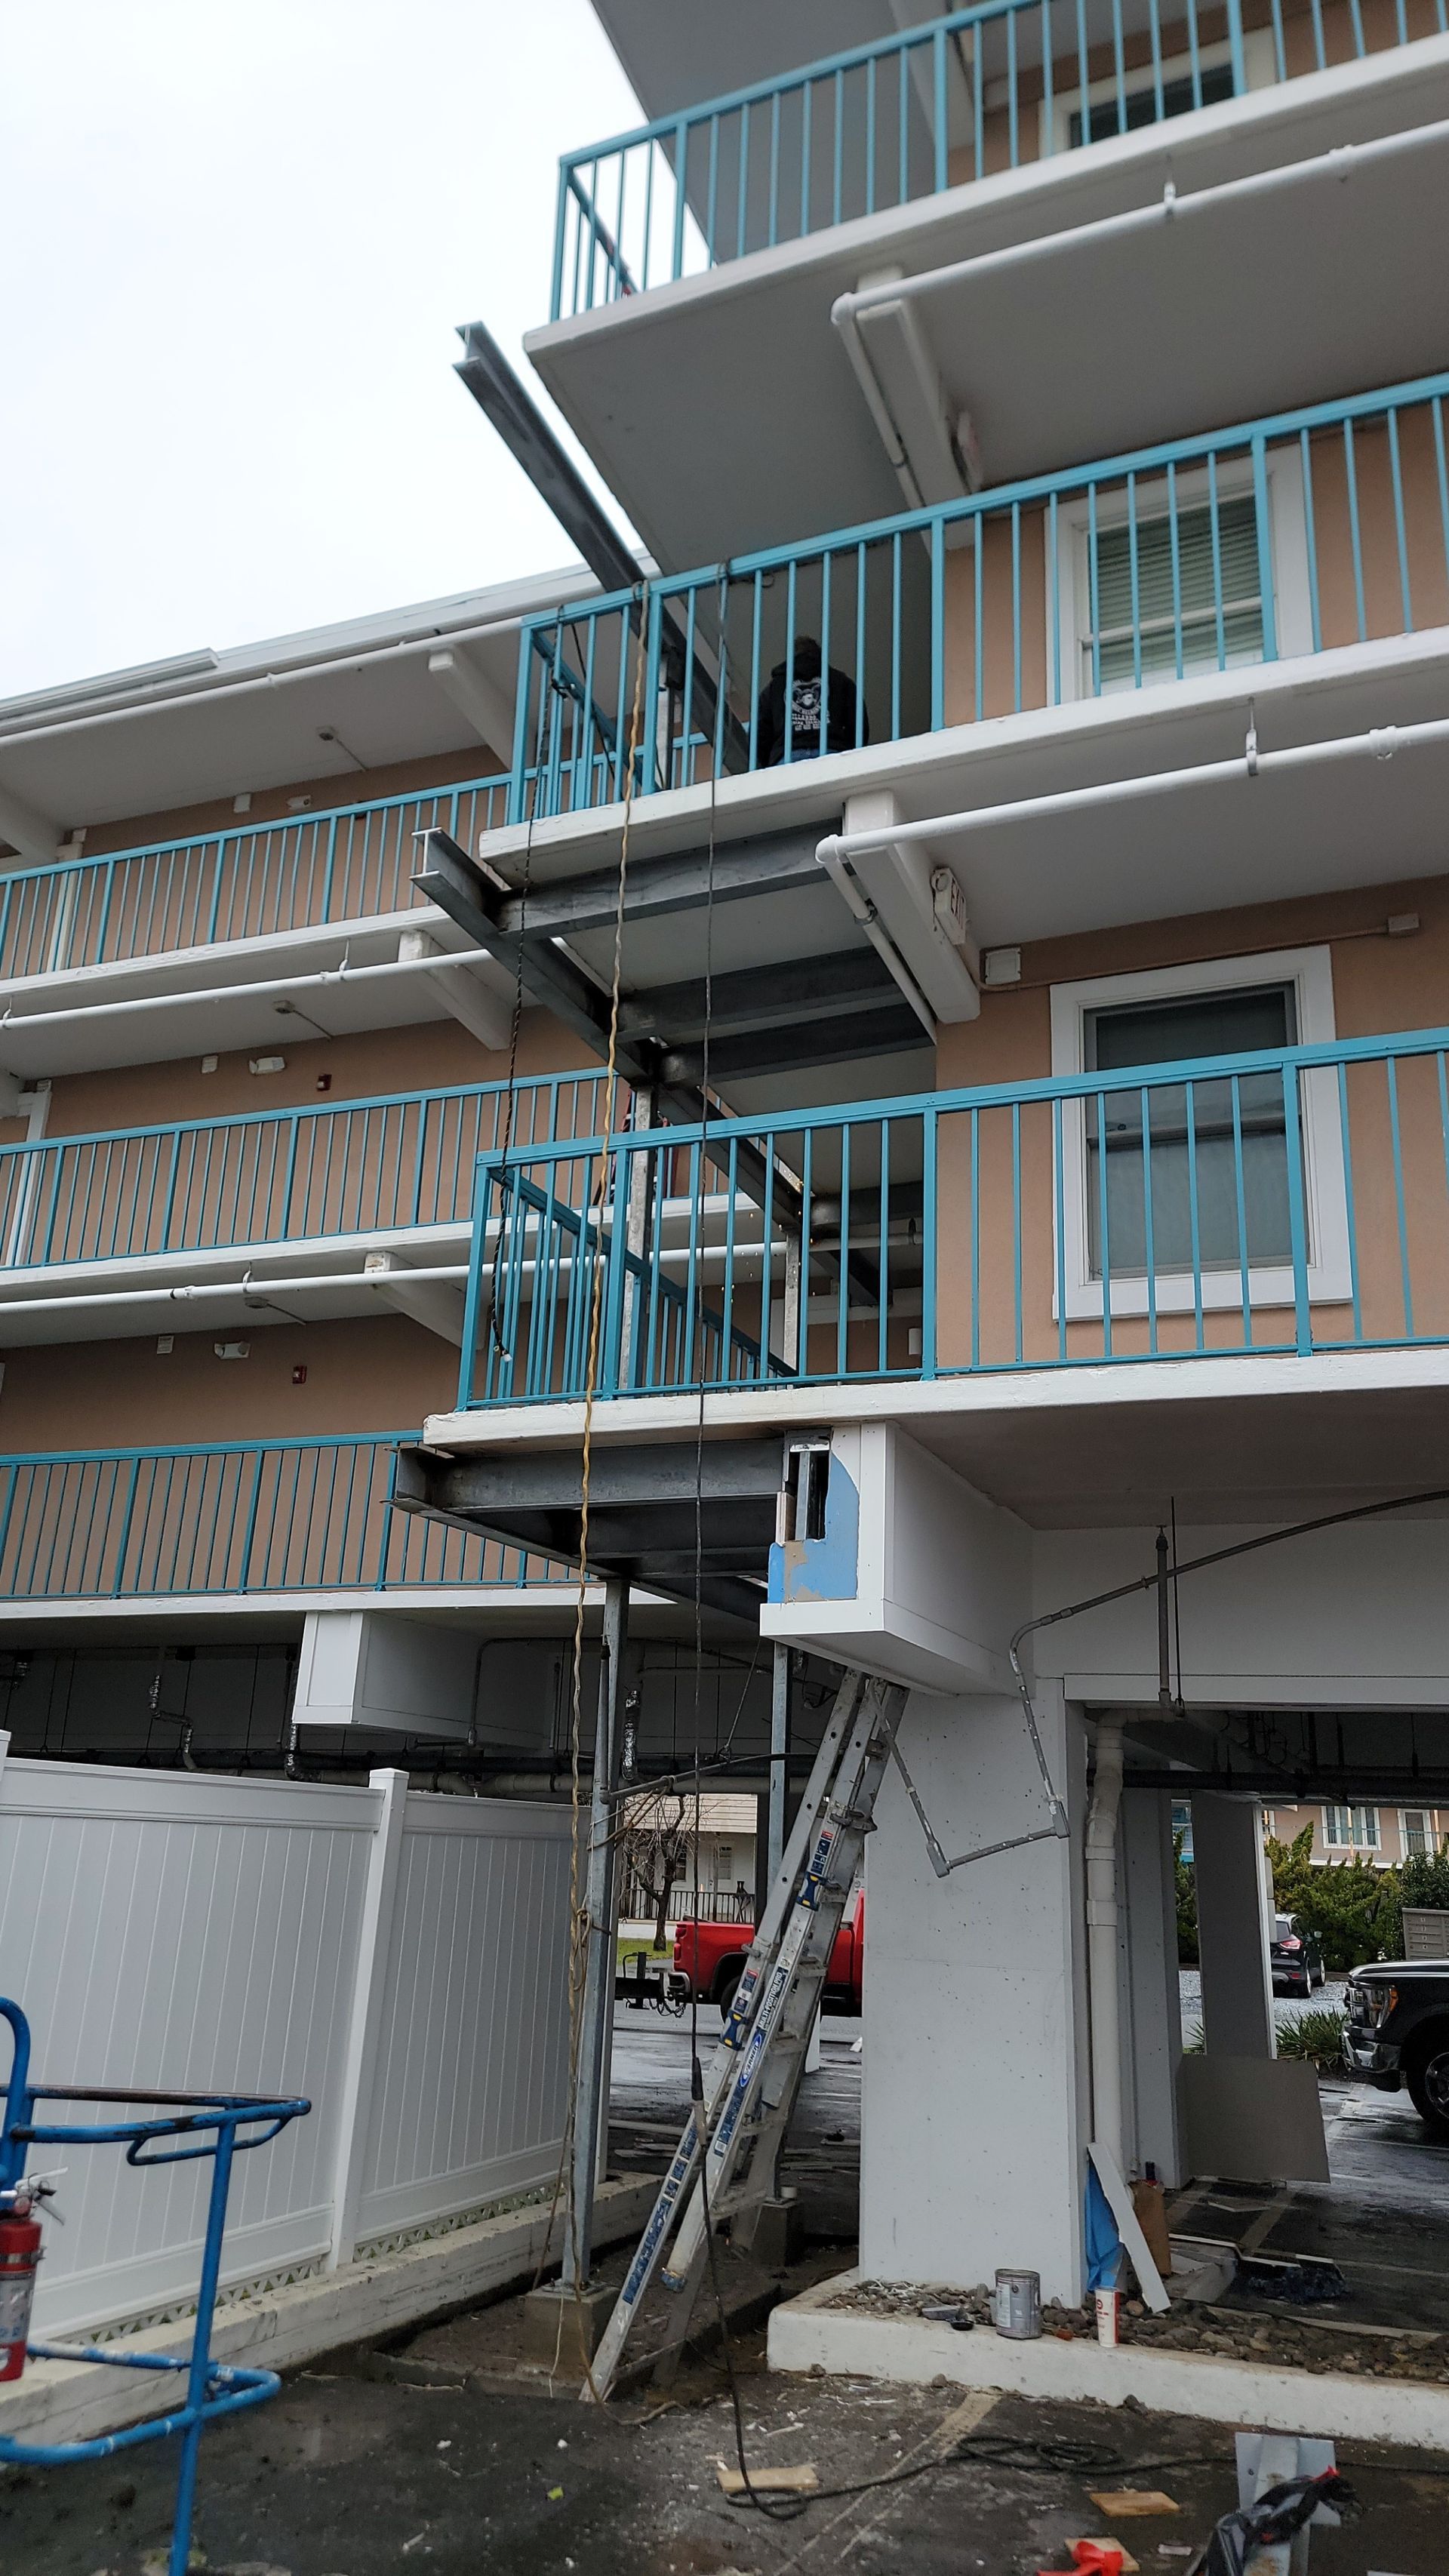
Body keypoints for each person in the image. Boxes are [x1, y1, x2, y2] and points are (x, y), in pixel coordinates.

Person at [755, 635, 867, 765]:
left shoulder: (775, 687)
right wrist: (847, 751)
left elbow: (760, 733)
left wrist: (770, 761)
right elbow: (858, 723)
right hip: (830, 751)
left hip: (789, 754)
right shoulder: (840, 682)